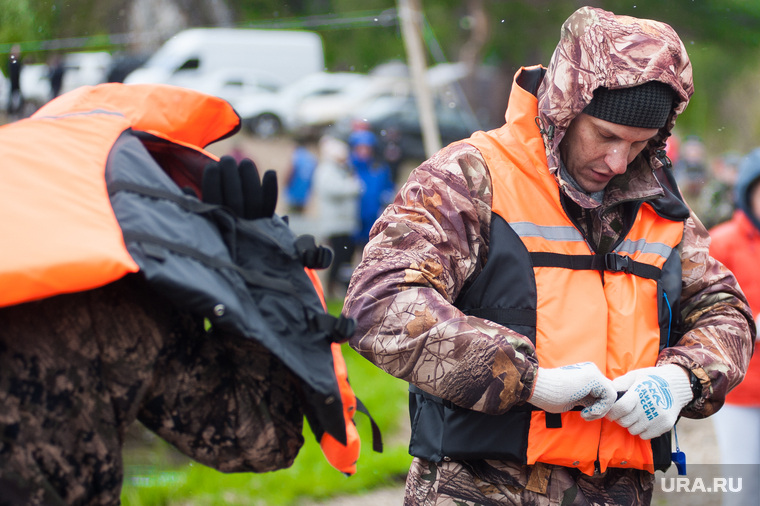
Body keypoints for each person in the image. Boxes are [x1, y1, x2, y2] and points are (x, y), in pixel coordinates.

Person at [343, 6, 754, 505]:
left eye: (640, 143)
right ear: (563, 108)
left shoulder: (660, 205)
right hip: (480, 489)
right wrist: (528, 380)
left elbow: (726, 310)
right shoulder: (473, 177)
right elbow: (378, 305)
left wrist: (682, 379)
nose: (618, 161)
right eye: (605, 136)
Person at [709, 148, 760, 506]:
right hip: (742, 391)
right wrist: (751, 326)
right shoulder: (722, 242)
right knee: (743, 489)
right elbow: (703, 311)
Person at [313, 135, 361, 299]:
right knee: (338, 258)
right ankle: (331, 288)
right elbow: (334, 190)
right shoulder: (326, 170)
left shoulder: (340, 170)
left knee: (346, 258)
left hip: (345, 224)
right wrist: (353, 186)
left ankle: (343, 288)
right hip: (335, 225)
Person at [348, 129, 395, 250]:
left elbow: (388, 188)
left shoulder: (379, 168)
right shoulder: (349, 168)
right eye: (360, 148)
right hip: (352, 219)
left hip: (373, 219)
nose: (364, 152)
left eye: (367, 148)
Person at [6, 44, 24, 118]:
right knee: (14, 101)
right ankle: (12, 113)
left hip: (16, 86)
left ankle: (15, 113)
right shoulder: (13, 62)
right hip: (14, 85)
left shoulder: (15, 62)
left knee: (17, 101)